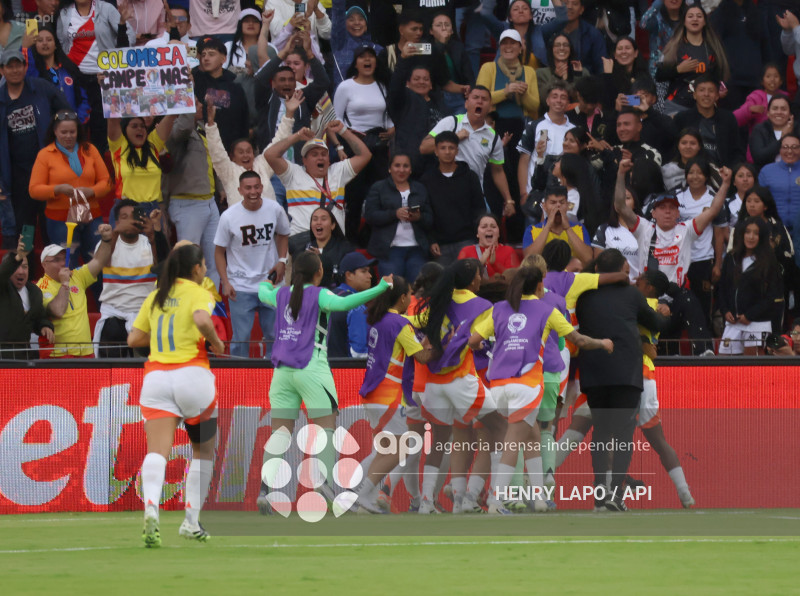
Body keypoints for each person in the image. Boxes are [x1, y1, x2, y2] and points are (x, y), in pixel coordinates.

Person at [468, 264, 612, 511]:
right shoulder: (547, 310)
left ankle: (539, 498)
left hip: (498, 387)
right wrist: (603, 343)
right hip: (527, 385)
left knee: (532, 435)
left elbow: (473, 341)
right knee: (513, 442)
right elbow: (578, 340)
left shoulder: (499, 309)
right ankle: (496, 500)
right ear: (539, 286)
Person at [256, 251, 391, 514]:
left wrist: (270, 278)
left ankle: (265, 491)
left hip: (282, 373)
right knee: (324, 430)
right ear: (319, 273)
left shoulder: (281, 294)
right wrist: (381, 287)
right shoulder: (320, 295)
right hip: (312, 368)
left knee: (279, 434)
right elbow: (346, 304)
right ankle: (325, 484)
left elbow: (262, 292)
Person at [127, 243, 225, 547]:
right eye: (205, 266)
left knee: (157, 451)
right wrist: (217, 344)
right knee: (204, 450)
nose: (206, 270)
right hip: (193, 377)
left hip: (156, 379)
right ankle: (190, 521)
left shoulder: (156, 296)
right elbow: (201, 320)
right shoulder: (200, 292)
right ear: (196, 269)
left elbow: (134, 338)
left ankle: (152, 507)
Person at [411, 258, 508, 514]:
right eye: (479, 274)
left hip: (433, 383)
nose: (480, 279)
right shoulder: (482, 305)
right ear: (473, 279)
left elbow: (412, 324)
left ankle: (426, 503)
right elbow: (482, 339)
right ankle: (497, 501)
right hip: (460, 380)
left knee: (441, 441)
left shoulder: (435, 300)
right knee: (502, 430)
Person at [574, 248, 667, 511]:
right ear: (621, 268)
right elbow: (656, 323)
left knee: (601, 433)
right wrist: (664, 313)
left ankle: (599, 496)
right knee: (624, 433)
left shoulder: (584, 295)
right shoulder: (632, 294)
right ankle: (615, 495)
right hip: (625, 372)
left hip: (594, 372)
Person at [614, 159, 723, 355]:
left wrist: (725, 183)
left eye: (672, 208)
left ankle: (704, 352)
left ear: (678, 212)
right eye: (662, 208)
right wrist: (621, 174)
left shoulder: (687, 229)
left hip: (675, 295)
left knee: (689, 299)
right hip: (648, 295)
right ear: (653, 212)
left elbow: (714, 210)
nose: (667, 211)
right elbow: (620, 206)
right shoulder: (644, 228)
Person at [354, 275, 435, 513]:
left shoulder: (380, 319)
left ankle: (357, 494)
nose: (411, 297)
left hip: (373, 393)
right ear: (402, 298)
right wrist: (441, 344)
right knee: (401, 449)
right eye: (409, 294)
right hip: (388, 395)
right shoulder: (399, 325)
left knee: (385, 450)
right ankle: (362, 493)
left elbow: (412, 323)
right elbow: (422, 357)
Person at [214, 171, 290, 359]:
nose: (253, 191)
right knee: (241, 338)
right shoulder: (229, 216)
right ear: (239, 190)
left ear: (262, 188)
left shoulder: (274, 208)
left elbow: (283, 233)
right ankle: (238, 379)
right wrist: (225, 282)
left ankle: (275, 373)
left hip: (270, 284)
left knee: (275, 335)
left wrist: (282, 260)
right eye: (248, 188)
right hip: (241, 286)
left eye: (256, 186)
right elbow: (218, 252)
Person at [0, 49, 70, 247]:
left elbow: (66, 111)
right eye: (9, 66)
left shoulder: (40, 87)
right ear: (2, 70)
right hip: (18, 176)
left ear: (25, 66)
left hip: (48, 171)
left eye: (18, 65)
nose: (15, 70)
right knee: (26, 229)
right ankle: (28, 273)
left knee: (52, 224)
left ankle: (53, 274)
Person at [28, 110, 110, 269]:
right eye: (63, 132)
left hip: (91, 215)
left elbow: (106, 182)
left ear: (78, 131)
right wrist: (57, 189)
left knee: (97, 265)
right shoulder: (45, 154)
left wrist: (92, 191)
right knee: (67, 266)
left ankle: (99, 294)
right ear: (55, 131)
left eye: (72, 132)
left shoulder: (90, 149)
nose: (68, 136)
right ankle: (69, 295)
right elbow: (34, 189)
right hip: (60, 219)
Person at [420, 87, 516, 219]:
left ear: (490, 106)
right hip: (445, 191)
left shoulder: (493, 136)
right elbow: (424, 147)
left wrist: (509, 200)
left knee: (484, 228)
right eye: (475, 98)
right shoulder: (451, 122)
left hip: (475, 194)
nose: (480, 102)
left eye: (484, 99)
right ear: (466, 103)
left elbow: (498, 171)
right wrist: (455, 137)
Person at [333, 45, 394, 241]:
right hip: (355, 145)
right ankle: (350, 237)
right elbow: (335, 119)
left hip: (379, 146)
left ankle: (374, 235)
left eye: (371, 57)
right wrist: (347, 138)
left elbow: (388, 116)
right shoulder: (346, 87)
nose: (367, 60)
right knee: (355, 194)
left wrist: (392, 128)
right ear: (356, 63)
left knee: (380, 192)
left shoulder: (383, 85)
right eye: (362, 57)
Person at [93, 199, 168, 358]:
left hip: (144, 311)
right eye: (124, 217)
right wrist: (115, 232)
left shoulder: (149, 242)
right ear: (117, 221)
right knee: (112, 330)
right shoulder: (107, 242)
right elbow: (101, 262)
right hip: (114, 311)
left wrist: (153, 234)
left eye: (133, 216)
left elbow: (163, 266)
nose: (130, 220)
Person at [57, 0, 135, 150]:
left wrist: (117, 61)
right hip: (77, 77)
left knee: (102, 123)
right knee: (79, 122)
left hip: (104, 77)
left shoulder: (106, 9)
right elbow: (62, 41)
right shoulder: (65, 13)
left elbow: (129, 35)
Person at [205, 89, 301, 208]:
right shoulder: (228, 171)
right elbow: (216, 151)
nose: (246, 155)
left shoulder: (262, 165)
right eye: (241, 152)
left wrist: (289, 114)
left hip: (268, 222)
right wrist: (210, 123)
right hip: (241, 224)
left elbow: (279, 141)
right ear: (232, 157)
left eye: (248, 151)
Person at [162, 106, 220, 285]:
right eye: (194, 102)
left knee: (214, 262)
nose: (200, 105)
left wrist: (221, 188)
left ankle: (212, 308)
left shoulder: (201, 128)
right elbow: (184, 127)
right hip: (187, 203)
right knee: (189, 263)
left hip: (210, 201)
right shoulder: (175, 128)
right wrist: (185, 92)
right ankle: (189, 305)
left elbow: (212, 161)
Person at [37, 225, 113, 358]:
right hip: (59, 355)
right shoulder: (41, 287)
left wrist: (106, 241)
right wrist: (65, 283)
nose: (62, 263)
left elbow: (99, 261)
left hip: (86, 352)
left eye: (63, 258)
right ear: (44, 264)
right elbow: (58, 310)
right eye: (56, 260)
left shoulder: (77, 276)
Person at [674, 156, 729, 324]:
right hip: (679, 260)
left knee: (703, 307)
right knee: (678, 304)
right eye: (691, 173)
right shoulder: (677, 197)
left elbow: (719, 234)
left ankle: (704, 347)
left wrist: (718, 265)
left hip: (703, 260)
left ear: (706, 176)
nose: (695, 176)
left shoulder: (714, 199)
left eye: (699, 173)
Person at [364, 153, 433, 281]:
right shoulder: (378, 188)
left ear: (411, 169)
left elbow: (430, 219)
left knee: (417, 290)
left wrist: (418, 217)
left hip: (417, 249)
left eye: (406, 166)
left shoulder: (420, 188)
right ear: (389, 168)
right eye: (397, 165)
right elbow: (370, 216)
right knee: (392, 291)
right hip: (389, 250)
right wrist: (394, 214)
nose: (401, 170)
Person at [718, 217, 782, 355]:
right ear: (741, 234)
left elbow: (772, 296)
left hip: (757, 323)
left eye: (756, 233)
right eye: (747, 232)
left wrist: (750, 315)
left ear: (762, 237)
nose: (751, 237)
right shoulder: (731, 257)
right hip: (733, 322)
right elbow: (722, 288)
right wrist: (725, 311)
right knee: (723, 363)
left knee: (752, 367)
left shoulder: (768, 261)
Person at [420, 131, 486, 265]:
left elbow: (479, 208)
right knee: (443, 284)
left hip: (467, 241)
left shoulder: (469, 176)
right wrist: (431, 240)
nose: (447, 152)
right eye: (443, 148)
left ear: (457, 150)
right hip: (440, 245)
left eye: (451, 148)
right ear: (436, 151)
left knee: (470, 282)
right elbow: (426, 212)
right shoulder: (427, 180)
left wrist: (477, 237)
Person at [655, 4, 730, 113]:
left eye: (699, 16)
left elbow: (719, 76)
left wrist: (720, 89)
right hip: (677, 105)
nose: (695, 19)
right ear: (684, 22)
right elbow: (659, 76)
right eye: (690, 16)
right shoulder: (674, 47)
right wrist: (678, 70)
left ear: (704, 22)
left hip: (705, 107)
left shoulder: (714, 48)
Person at [107, 112, 178, 227]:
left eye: (142, 126)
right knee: (126, 246)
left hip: (153, 210)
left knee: (154, 245)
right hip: (126, 209)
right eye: (134, 126)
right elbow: (112, 119)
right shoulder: (119, 145)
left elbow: (172, 115)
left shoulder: (153, 144)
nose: (139, 129)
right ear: (124, 129)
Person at [517, 80, 575, 202]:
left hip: (564, 197)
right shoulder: (534, 126)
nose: (558, 100)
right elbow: (524, 161)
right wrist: (523, 193)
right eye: (554, 96)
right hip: (535, 194)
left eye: (563, 97)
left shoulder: (574, 130)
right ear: (547, 100)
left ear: (568, 103)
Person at [191, 36, 249, 152]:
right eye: (203, 55)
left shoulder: (235, 82)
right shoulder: (194, 79)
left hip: (230, 148)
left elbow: (243, 119)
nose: (206, 58)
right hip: (202, 149)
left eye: (211, 54)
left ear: (223, 58)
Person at [673, 75, 744, 169]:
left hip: (722, 174)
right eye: (702, 90)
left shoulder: (728, 119)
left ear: (717, 96)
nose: (706, 94)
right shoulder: (682, 118)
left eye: (711, 91)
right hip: (688, 172)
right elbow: (673, 149)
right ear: (694, 95)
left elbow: (737, 152)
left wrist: (731, 170)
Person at [388, 59, 445, 177]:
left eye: (426, 79)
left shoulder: (441, 105)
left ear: (431, 84)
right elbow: (395, 88)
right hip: (411, 164)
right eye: (416, 79)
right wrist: (403, 60)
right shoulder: (403, 101)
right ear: (407, 83)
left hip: (437, 163)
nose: (421, 82)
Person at [0, 238, 54, 360]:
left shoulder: (34, 291)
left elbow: (39, 317)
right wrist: (18, 256)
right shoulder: (2, 287)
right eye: (16, 267)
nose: (21, 271)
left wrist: (44, 326)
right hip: (2, 356)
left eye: (24, 267)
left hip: (23, 355)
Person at [26, 24, 90, 123]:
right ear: (35, 46)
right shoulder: (33, 72)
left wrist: (78, 120)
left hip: (71, 128)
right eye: (40, 40)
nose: (45, 43)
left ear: (55, 44)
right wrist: (26, 47)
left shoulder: (69, 69)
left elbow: (84, 99)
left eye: (49, 39)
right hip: (45, 129)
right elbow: (25, 65)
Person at [476, 29, 540, 122]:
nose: (508, 47)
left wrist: (524, 95)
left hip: (522, 124)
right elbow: (479, 99)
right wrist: (505, 92)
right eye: (504, 43)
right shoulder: (488, 68)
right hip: (493, 125)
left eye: (513, 43)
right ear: (499, 48)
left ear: (520, 48)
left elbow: (535, 106)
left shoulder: (529, 71)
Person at [758, 132, 800, 268]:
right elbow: (759, 200)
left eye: (794, 147)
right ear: (779, 149)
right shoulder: (767, 171)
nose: (790, 151)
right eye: (785, 147)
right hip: (775, 231)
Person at [522, 185, 593, 265]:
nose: (558, 206)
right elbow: (529, 261)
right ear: (544, 206)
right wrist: (548, 226)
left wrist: (568, 228)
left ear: (567, 205)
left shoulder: (579, 228)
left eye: (562, 202)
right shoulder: (532, 230)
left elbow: (588, 259)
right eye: (553, 203)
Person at [287, 207, 353, 289]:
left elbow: (347, 280)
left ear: (333, 225)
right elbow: (295, 282)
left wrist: (322, 259)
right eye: (315, 219)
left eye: (323, 219)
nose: (318, 222)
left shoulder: (345, 249)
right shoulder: (302, 251)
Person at [327, 251, 376, 359]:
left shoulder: (327, 297)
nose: (370, 276)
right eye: (364, 271)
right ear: (349, 275)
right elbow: (359, 354)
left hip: (320, 369)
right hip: (345, 371)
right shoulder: (356, 306)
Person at [592, 185, 645, 281]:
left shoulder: (647, 228)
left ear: (635, 204)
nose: (622, 202)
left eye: (627, 198)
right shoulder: (604, 229)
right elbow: (599, 264)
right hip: (612, 286)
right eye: (619, 199)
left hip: (639, 288)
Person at [540, 0, 607, 76]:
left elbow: (601, 66)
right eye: (565, 3)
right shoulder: (548, 31)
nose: (569, 7)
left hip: (583, 80)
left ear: (581, 10)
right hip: (553, 81)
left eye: (575, 4)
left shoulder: (593, 34)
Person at [330, 2, 383, 88]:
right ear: (344, 24)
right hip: (345, 98)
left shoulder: (378, 49)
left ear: (366, 25)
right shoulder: (340, 43)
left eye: (361, 19)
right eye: (351, 19)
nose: (356, 23)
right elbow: (338, 13)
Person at [429, 11, 473, 115]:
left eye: (447, 25)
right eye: (439, 25)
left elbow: (469, 76)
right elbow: (434, 65)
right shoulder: (423, 46)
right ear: (431, 31)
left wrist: (469, 91)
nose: (444, 28)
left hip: (457, 95)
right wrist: (441, 44)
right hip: (435, 96)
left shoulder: (459, 47)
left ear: (452, 30)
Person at [458, 213, 520, 281]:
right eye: (484, 227)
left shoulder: (508, 250)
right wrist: (480, 264)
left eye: (493, 227)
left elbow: (513, 279)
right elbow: (460, 279)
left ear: (499, 233)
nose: (489, 229)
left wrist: (494, 264)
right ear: (477, 234)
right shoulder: (466, 251)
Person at [733, 63, 787, 138]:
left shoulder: (786, 97)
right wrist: (749, 110)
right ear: (762, 81)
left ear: (781, 81)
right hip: (759, 143)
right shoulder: (755, 97)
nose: (772, 80)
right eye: (768, 76)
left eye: (776, 76)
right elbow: (735, 118)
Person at [748, 96, 799, 170]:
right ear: (768, 113)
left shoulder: (797, 129)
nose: (779, 112)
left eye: (783, 109)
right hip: (766, 176)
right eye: (775, 108)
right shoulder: (759, 129)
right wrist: (783, 138)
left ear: (790, 114)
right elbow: (759, 157)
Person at [535, 33, 584, 100]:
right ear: (551, 49)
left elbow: (583, 99)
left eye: (565, 45)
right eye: (557, 45)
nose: (561, 48)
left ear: (570, 49)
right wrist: (556, 77)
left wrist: (578, 76)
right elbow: (543, 99)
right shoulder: (541, 73)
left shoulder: (582, 72)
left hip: (576, 110)